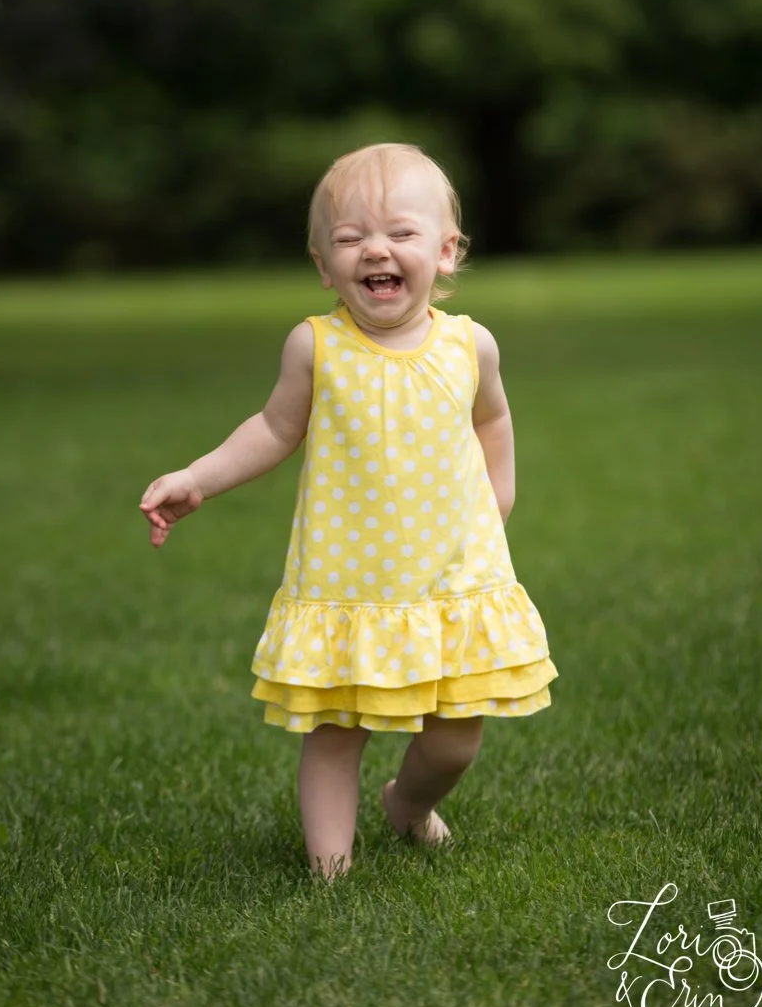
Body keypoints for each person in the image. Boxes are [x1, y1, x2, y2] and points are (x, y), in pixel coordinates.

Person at [138, 143, 556, 881]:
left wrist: (499, 497)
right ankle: (330, 870)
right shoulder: (316, 347)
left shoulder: (470, 348)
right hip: (346, 583)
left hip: (452, 581)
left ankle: (407, 804)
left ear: (446, 251)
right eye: (351, 237)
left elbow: (492, 421)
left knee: (457, 736)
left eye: (401, 233)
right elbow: (273, 429)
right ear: (323, 263)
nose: (376, 250)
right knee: (335, 730)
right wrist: (199, 477)